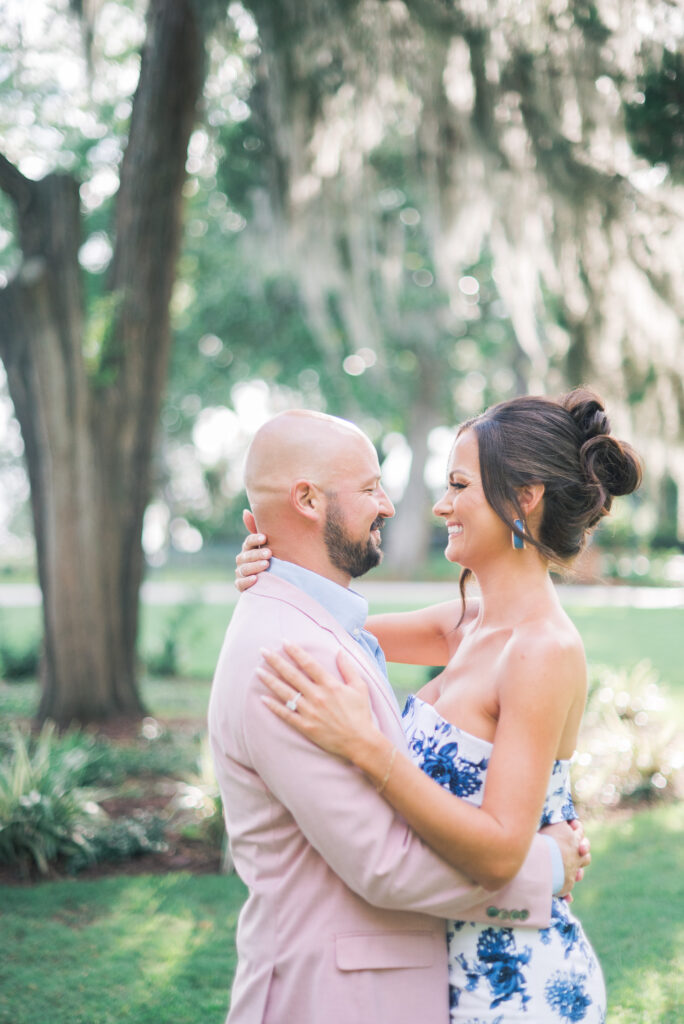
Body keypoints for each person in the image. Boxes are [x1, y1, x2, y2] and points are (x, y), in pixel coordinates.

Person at [240, 391, 640, 1023]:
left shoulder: (544, 651)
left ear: (525, 497)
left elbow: (503, 850)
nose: (439, 505)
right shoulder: (467, 624)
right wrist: (275, 572)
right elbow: (333, 626)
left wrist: (369, 750)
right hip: (437, 976)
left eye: (458, 485)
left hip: (514, 989)